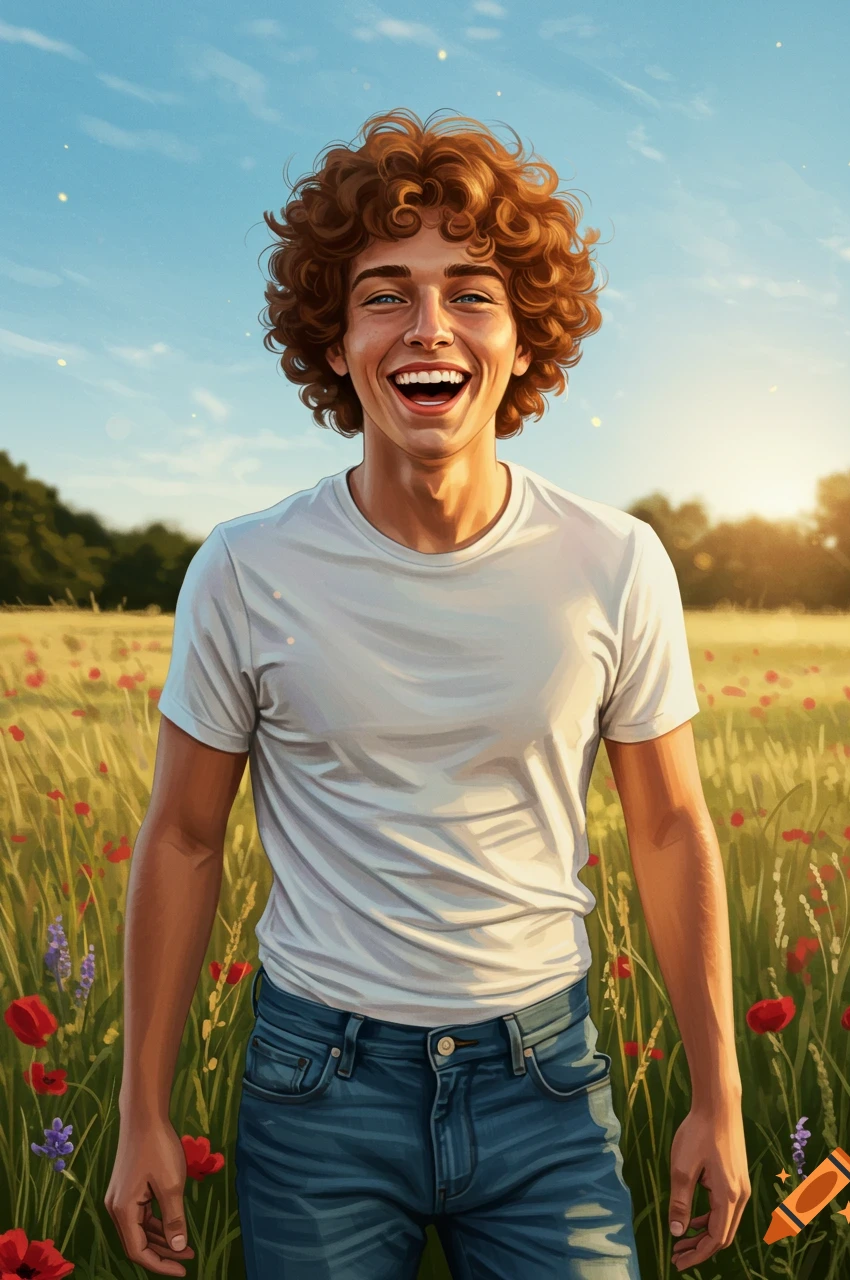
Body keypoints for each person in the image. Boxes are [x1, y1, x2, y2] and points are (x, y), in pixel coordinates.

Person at [104, 108, 750, 1279]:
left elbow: (667, 825)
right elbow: (184, 836)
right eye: (384, 294)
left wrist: (720, 1092)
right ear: (334, 337)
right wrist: (138, 1109)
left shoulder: (613, 559)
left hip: (545, 1083)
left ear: (523, 336)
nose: (428, 328)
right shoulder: (244, 569)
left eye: (471, 292)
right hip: (317, 1091)